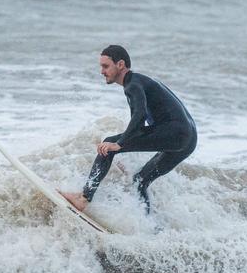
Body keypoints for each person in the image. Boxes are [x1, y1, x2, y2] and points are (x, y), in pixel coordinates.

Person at [60, 45, 197, 214]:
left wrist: (120, 144)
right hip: (188, 140)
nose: (102, 71)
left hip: (174, 133)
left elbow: (139, 115)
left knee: (108, 144)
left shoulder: (132, 85)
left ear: (120, 64)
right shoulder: (141, 82)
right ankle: (150, 227)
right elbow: (139, 127)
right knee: (139, 180)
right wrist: (125, 145)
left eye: (105, 66)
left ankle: (84, 198)